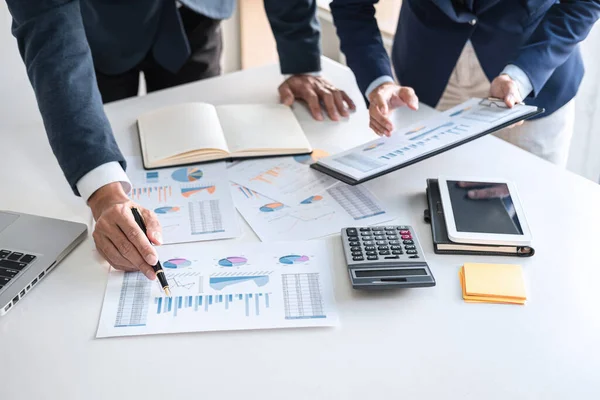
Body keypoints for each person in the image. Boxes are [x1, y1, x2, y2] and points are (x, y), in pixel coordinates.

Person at [5, 0, 355, 280]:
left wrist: (302, 62)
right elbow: (52, 39)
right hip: (98, 26)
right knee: (115, 134)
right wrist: (105, 193)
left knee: (197, 144)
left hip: (195, 16)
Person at [330, 0, 600, 166]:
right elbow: (351, 6)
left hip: (534, 75)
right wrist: (378, 80)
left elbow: (582, 3)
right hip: (425, 77)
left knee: (532, 216)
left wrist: (522, 75)